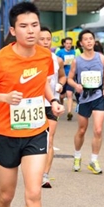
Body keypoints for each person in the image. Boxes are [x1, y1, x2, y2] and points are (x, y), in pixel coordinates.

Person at [0, 1, 64, 207]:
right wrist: (4, 97)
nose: (30, 31)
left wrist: (52, 99)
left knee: (33, 194)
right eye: (24, 26)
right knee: (6, 196)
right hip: (6, 134)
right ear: (12, 30)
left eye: (34, 25)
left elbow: (43, 81)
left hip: (35, 132)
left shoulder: (45, 56)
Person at [67, 29, 104, 174]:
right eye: (86, 39)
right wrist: (76, 86)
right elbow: (69, 78)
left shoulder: (102, 58)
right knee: (81, 130)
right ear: (81, 43)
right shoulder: (77, 61)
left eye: (91, 38)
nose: (89, 41)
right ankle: (77, 156)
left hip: (98, 96)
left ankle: (94, 160)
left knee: (98, 129)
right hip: (84, 98)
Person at [38, 26, 67, 188]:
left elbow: (62, 76)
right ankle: (33, 170)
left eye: (48, 39)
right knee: (34, 140)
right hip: (34, 104)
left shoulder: (57, 60)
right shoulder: (30, 59)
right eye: (42, 39)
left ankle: (45, 175)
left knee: (49, 139)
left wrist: (61, 85)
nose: (45, 42)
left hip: (52, 103)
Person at [56, 36, 76, 121]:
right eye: (67, 43)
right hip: (62, 77)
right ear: (64, 44)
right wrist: (63, 63)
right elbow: (56, 63)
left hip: (71, 77)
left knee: (70, 94)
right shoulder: (60, 52)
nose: (68, 45)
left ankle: (69, 112)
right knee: (61, 95)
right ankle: (61, 106)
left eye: (70, 44)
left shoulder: (74, 52)